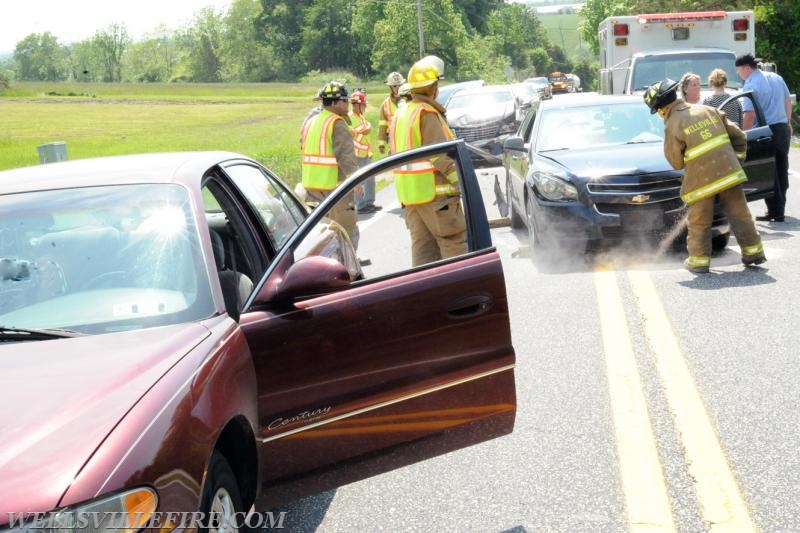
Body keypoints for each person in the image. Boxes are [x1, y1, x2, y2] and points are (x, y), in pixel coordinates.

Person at [643, 78, 766, 273]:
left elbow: (675, 162)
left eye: (658, 111)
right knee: (740, 214)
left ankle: (699, 262)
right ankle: (754, 253)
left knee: (699, 220)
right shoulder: (708, 110)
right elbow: (740, 136)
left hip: (701, 182)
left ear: (662, 108)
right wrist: (736, 161)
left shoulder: (673, 123)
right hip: (729, 174)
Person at [389, 55, 467, 266]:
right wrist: (463, 184)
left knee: (424, 255)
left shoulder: (401, 114)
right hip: (436, 197)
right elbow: (442, 156)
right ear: (433, 87)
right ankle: (462, 296)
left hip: (412, 199)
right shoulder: (426, 113)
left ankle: (426, 298)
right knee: (454, 247)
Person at [300, 80, 360, 248]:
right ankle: (349, 269)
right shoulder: (336, 122)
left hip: (311, 187)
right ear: (334, 102)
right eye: (344, 100)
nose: (347, 104)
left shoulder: (312, 121)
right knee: (345, 230)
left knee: (320, 232)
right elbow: (346, 156)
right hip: (334, 188)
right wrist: (356, 180)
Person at [735, 52, 793, 222]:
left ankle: (776, 210)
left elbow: (749, 116)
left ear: (746, 68)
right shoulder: (775, 77)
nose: (739, 74)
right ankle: (779, 207)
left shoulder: (751, 84)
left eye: (739, 71)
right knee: (781, 167)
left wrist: (742, 135)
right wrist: (788, 122)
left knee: (769, 170)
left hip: (766, 132)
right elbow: (787, 100)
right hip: (782, 128)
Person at [349, 90, 381, 213]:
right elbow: (352, 135)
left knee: (370, 179)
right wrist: (363, 129)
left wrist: (364, 128)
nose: (365, 106)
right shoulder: (350, 118)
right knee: (359, 181)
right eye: (363, 104)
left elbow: (367, 128)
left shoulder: (360, 116)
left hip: (366, 154)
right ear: (357, 105)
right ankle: (360, 205)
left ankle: (369, 202)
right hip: (357, 155)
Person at [377, 71, 406, 156]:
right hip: (393, 143)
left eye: (400, 85)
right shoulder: (386, 104)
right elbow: (383, 125)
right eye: (394, 86)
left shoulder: (409, 99)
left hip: (407, 140)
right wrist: (381, 144)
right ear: (390, 87)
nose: (397, 88)